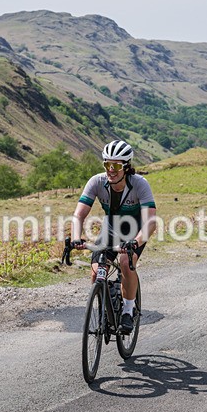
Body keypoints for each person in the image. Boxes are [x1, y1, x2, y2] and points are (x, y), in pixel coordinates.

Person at [71, 140, 157, 333]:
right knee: (96, 272)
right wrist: (76, 237)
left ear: (126, 167)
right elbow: (79, 215)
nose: (111, 170)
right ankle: (107, 302)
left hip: (136, 230)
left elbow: (151, 222)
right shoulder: (96, 182)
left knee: (126, 262)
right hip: (111, 229)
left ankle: (128, 311)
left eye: (116, 166)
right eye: (107, 164)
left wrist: (135, 242)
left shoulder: (139, 184)